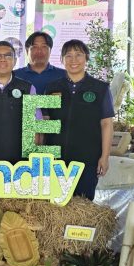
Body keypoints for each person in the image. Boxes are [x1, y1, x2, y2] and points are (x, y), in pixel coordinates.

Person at [43, 39, 114, 201]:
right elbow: (45, 122)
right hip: (56, 158)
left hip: (87, 158)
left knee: (83, 204)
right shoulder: (52, 87)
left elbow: (106, 124)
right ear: (62, 60)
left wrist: (105, 157)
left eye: (78, 55)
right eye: (68, 56)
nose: (73, 60)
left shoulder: (100, 88)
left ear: (86, 58)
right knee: (55, 202)